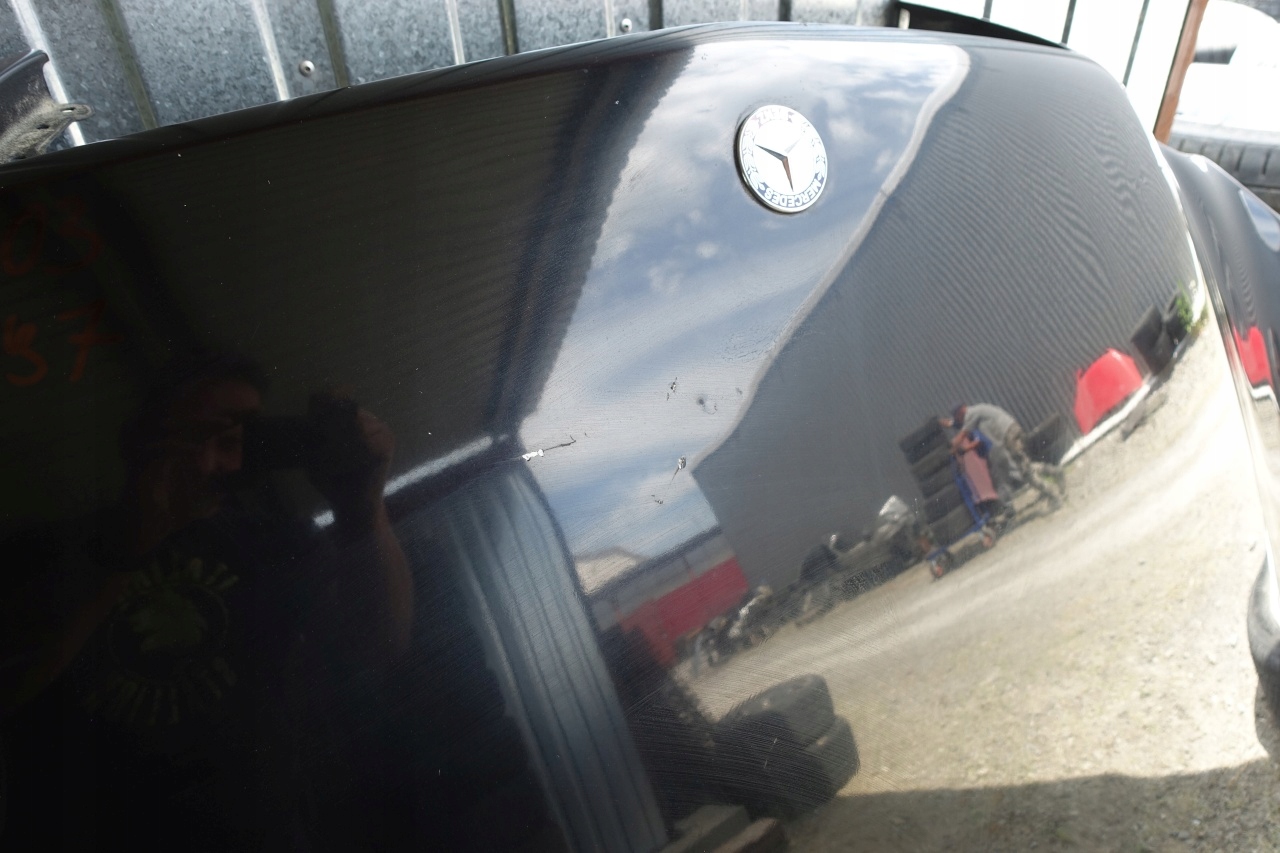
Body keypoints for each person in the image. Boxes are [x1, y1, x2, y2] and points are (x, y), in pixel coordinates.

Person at [0, 352, 413, 849]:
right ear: (137, 440)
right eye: (196, 434)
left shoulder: (273, 543)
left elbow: (377, 645)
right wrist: (131, 540)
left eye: (239, 439)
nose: (218, 460)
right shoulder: (45, 554)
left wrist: (362, 509)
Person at [946, 403, 1064, 509]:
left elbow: (962, 435)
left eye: (957, 417)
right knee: (1024, 467)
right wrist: (942, 423)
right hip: (1011, 432)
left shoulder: (971, 414)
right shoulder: (976, 410)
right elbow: (955, 425)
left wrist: (950, 451)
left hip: (1009, 436)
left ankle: (1053, 497)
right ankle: (1055, 472)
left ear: (960, 411)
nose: (958, 420)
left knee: (1025, 473)